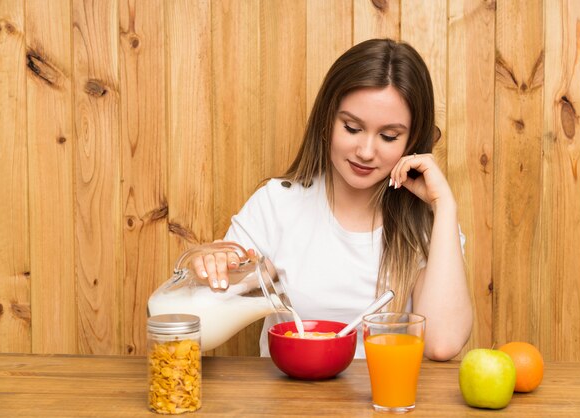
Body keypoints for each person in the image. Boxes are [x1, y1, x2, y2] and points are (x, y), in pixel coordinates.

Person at [193, 38, 472, 360]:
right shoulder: (277, 204)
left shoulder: (429, 225)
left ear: (412, 141)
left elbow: (443, 344)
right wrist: (211, 266)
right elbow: (199, 321)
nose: (366, 152)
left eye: (389, 136)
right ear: (327, 121)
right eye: (352, 128)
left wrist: (445, 206)